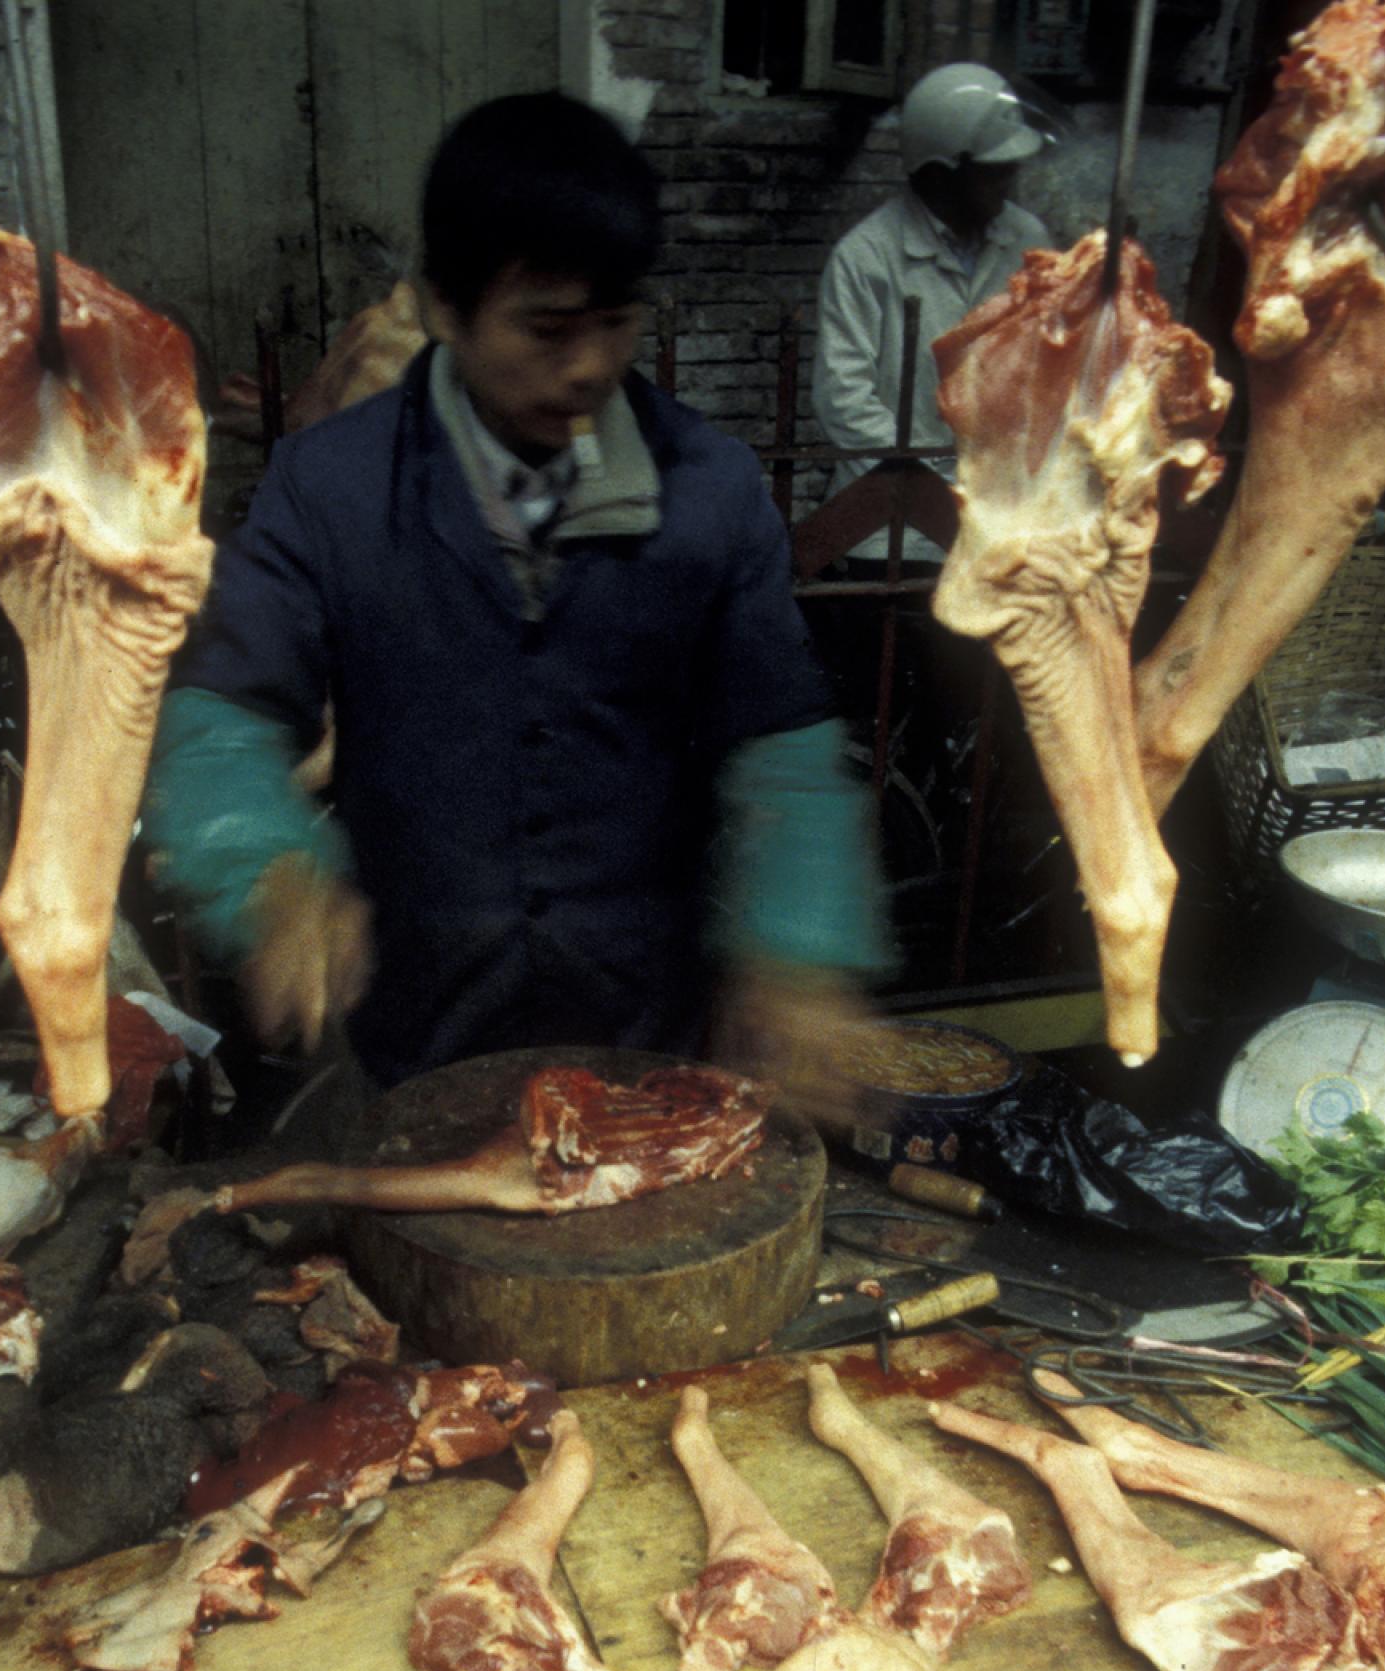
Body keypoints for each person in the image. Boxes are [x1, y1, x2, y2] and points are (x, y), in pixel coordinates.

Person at [140, 93, 890, 1118]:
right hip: (412, 1042)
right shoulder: (332, 490)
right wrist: (266, 875)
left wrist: (795, 949)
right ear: (444, 309)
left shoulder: (709, 493)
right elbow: (219, 716)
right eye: (545, 327)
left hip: (646, 1050)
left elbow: (783, 745)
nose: (586, 366)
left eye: (614, 323)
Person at [811, 63, 1057, 566]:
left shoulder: (1026, 238)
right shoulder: (866, 256)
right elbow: (844, 402)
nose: (1010, 182)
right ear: (941, 173)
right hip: (889, 529)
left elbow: (1049, 367)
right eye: (995, 170)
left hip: (1002, 520)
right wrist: (938, 479)